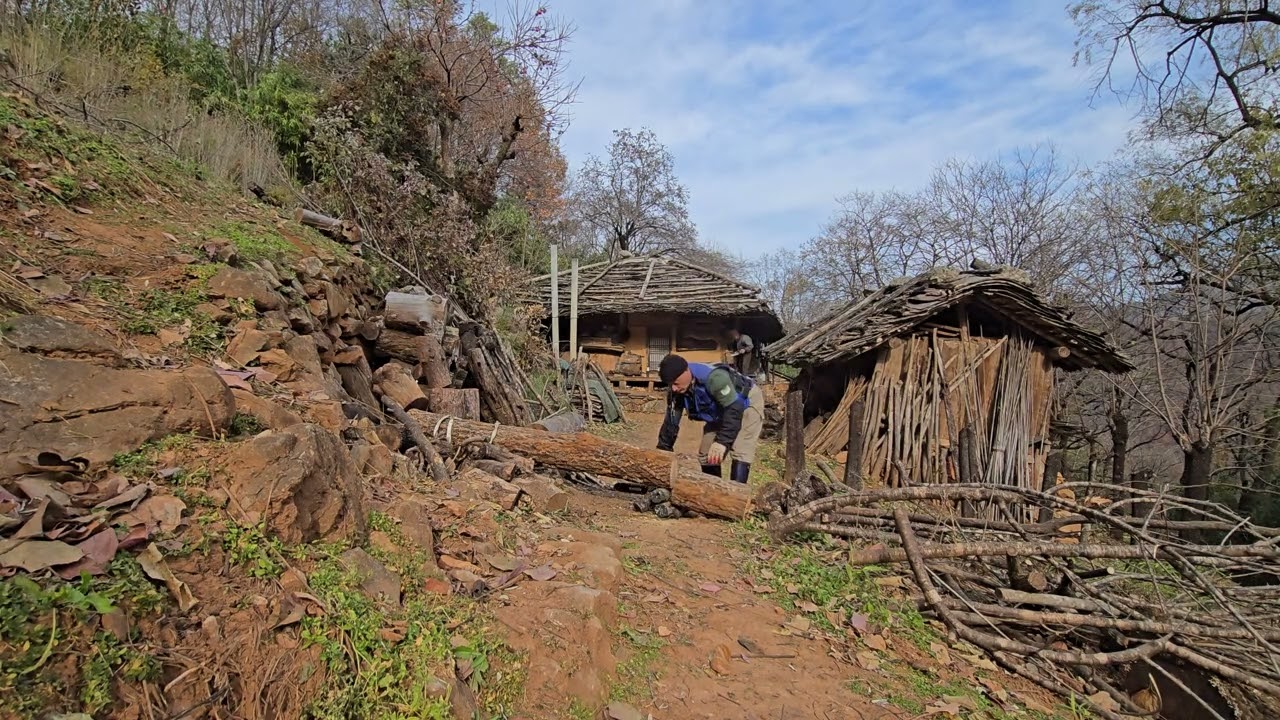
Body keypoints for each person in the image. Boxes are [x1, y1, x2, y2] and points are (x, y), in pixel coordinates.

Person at [655, 353, 764, 484]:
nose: (673, 388)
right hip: (720, 410)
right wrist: (662, 453)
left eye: (676, 383)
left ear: (686, 371)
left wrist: (722, 442)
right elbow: (671, 422)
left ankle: (737, 495)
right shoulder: (676, 390)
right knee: (706, 454)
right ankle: (714, 492)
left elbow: (734, 409)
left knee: (740, 450)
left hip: (745, 402)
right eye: (670, 384)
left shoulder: (714, 378)